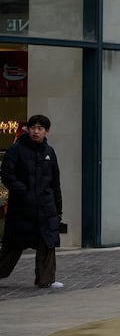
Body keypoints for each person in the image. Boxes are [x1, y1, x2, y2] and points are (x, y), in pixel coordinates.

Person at [0, 115, 65, 290]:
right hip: (22, 208)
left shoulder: (49, 152)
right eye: (33, 128)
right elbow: (7, 174)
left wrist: (58, 209)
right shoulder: (16, 150)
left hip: (46, 207)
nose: (36, 131)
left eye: (40, 128)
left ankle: (46, 280)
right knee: (12, 246)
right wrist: (23, 190)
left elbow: (55, 182)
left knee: (47, 242)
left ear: (46, 131)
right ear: (27, 129)